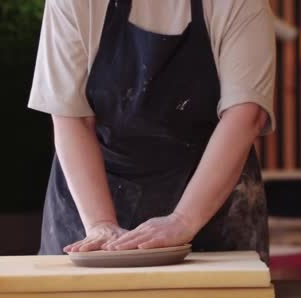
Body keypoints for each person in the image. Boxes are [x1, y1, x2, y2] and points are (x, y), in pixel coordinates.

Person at [29, 0, 276, 262]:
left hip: (210, 197)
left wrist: (183, 220)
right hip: (92, 195)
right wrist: (100, 223)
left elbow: (245, 115)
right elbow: (71, 117)